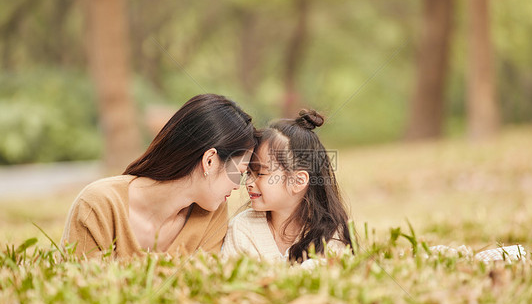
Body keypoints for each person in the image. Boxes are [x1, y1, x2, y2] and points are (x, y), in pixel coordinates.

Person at [61, 94, 258, 258]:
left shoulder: (212, 215)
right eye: (238, 173)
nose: (237, 186)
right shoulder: (99, 206)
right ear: (209, 160)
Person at [221, 109, 353, 263]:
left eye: (261, 173)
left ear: (298, 181)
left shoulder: (330, 233)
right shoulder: (242, 228)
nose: (248, 182)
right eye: (249, 172)